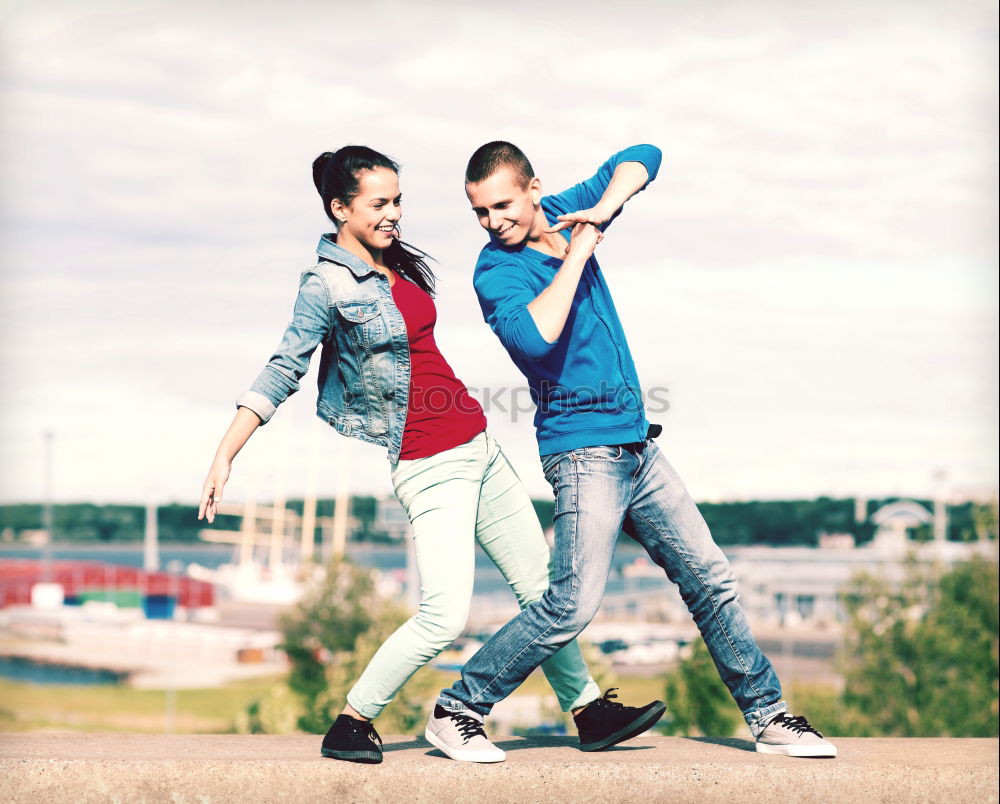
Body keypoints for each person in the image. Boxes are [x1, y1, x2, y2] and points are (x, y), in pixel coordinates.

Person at [198, 145, 658, 765]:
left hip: (478, 445)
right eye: (379, 204)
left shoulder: (396, 267)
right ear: (340, 208)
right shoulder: (326, 284)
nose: (395, 215)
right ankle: (352, 721)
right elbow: (285, 366)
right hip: (427, 460)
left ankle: (589, 711)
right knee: (443, 615)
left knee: (539, 590)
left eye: (398, 201)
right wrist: (228, 450)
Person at [424, 142, 837, 760]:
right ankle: (459, 709)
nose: (493, 222)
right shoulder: (495, 272)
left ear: (534, 188)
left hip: (638, 448)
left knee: (711, 578)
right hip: (582, 453)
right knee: (572, 604)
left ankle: (769, 717)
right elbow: (537, 337)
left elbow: (645, 154)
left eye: (502, 204)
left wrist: (604, 208)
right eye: (480, 212)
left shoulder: (567, 209)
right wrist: (584, 246)